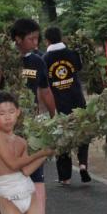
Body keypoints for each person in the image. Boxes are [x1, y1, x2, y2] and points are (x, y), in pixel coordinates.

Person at [0, 18, 59, 214]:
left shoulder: (38, 61)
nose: (36, 43)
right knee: (13, 173)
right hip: (7, 130)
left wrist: (55, 117)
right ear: (17, 39)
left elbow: (44, 91)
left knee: (37, 170)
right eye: (31, 38)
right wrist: (0, 64)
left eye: (37, 38)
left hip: (30, 126)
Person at [42, 26, 91, 185]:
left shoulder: (45, 59)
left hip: (59, 104)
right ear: (61, 37)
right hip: (77, 100)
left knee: (62, 137)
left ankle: (65, 177)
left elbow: (43, 84)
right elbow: (79, 68)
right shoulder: (72, 54)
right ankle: (83, 164)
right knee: (82, 131)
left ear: (47, 40)